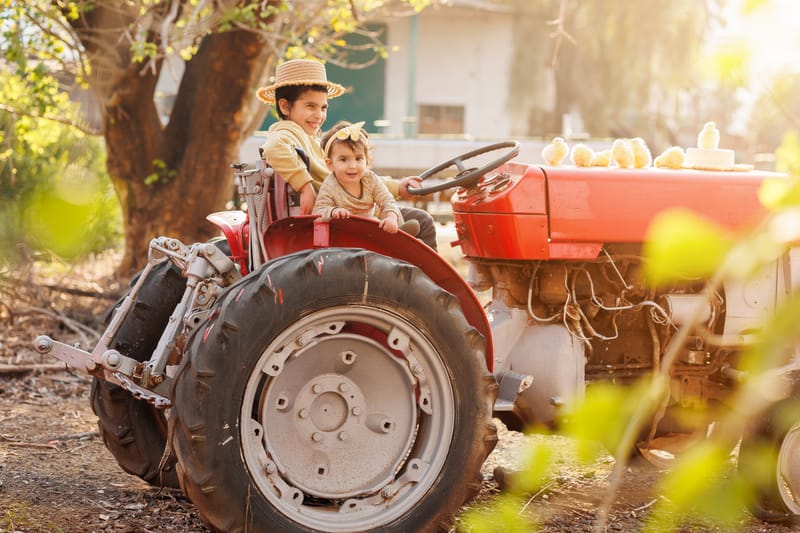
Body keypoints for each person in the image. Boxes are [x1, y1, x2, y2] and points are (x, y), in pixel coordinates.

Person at [256, 58, 438, 250]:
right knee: (422, 222)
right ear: (285, 107)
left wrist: (398, 187)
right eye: (310, 106)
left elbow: (361, 178)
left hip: (351, 204)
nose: (319, 115)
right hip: (338, 212)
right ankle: (412, 258)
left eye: (323, 108)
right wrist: (305, 186)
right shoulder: (287, 132)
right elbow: (273, 147)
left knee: (419, 219)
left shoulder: (312, 139)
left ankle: (404, 246)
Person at [314, 121, 420, 237]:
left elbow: (386, 199)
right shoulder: (330, 186)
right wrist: (332, 211)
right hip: (345, 233)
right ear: (330, 164)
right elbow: (318, 212)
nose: (353, 166)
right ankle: (397, 239)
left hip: (370, 227)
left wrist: (391, 217)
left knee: (390, 213)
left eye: (358, 158)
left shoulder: (370, 179)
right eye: (343, 159)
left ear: (367, 161)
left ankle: (399, 234)